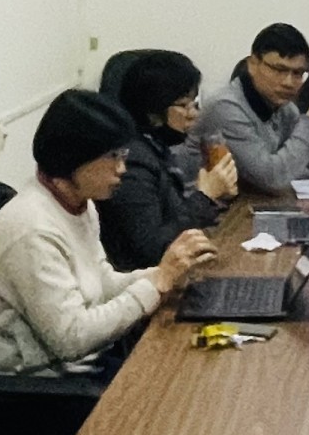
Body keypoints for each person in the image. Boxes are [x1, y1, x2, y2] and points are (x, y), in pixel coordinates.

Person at [0, 89, 215, 374]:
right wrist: (157, 284)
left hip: (78, 364)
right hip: (35, 389)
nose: (122, 169)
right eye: (113, 157)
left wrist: (165, 273)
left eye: (124, 155)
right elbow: (71, 340)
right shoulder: (31, 231)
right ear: (74, 159)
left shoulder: (79, 203)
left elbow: (99, 284)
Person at [101, 50, 238, 271]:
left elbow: (175, 213)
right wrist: (205, 196)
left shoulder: (153, 146)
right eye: (184, 105)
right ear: (153, 111)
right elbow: (152, 248)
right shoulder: (131, 162)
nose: (194, 114)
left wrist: (216, 197)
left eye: (194, 103)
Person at [193, 22, 309, 193]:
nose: (288, 82)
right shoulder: (225, 107)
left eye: (297, 73)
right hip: (200, 213)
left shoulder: (285, 109)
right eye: (278, 69)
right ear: (253, 64)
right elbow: (272, 178)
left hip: (242, 204)